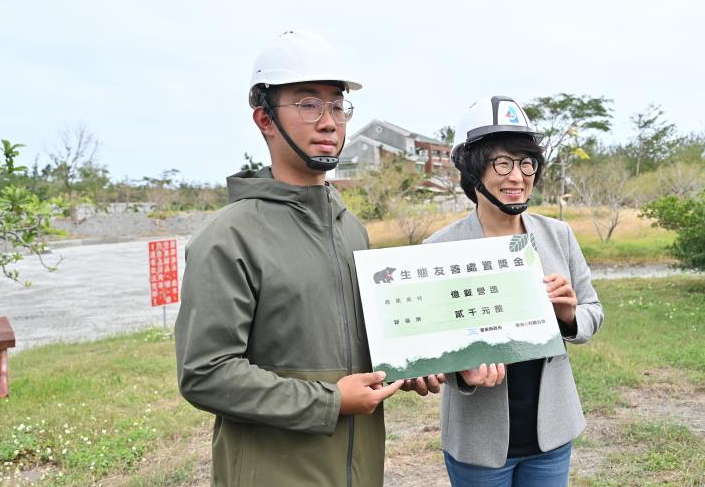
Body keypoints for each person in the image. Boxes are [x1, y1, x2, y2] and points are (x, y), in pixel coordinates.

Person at [174, 30, 402, 487]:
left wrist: (410, 366)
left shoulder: (350, 227)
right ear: (264, 120)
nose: (329, 122)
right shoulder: (230, 237)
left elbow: (359, 342)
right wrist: (329, 402)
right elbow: (205, 373)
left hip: (359, 470)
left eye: (337, 105)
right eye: (307, 104)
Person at [424, 96, 604, 487]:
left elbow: (593, 311)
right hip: (479, 440)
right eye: (501, 163)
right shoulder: (439, 249)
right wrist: (462, 375)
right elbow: (427, 346)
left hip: (551, 435)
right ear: (473, 172)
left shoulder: (559, 235)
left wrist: (570, 315)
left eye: (526, 163)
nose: (517, 177)